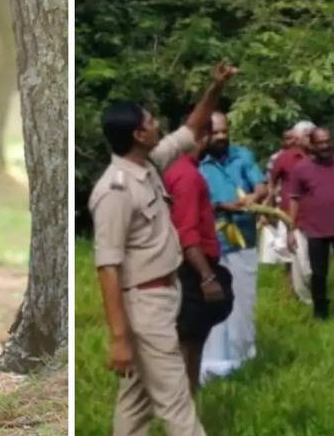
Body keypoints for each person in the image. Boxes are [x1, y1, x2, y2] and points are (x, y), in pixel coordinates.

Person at [89, 63, 235, 436]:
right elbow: (107, 267)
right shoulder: (114, 191)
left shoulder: (149, 163)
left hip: (164, 295)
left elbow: (191, 129)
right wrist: (119, 338)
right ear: (139, 134)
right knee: (177, 405)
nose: (158, 125)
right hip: (145, 305)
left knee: (135, 404)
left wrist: (215, 87)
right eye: (152, 121)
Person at [162, 123, 233, 394]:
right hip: (192, 266)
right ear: (200, 138)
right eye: (212, 135)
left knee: (194, 337)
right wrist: (206, 276)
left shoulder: (176, 171)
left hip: (186, 263)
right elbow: (186, 232)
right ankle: (185, 401)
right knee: (188, 340)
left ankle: (189, 397)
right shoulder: (188, 177)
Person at [198, 112, 266, 382]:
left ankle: (242, 357)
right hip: (211, 244)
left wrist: (254, 196)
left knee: (243, 301)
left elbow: (260, 184)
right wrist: (220, 207)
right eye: (215, 133)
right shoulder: (198, 164)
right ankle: (213, 362)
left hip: (243, 241)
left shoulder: (242, 155)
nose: (222, 137)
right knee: (212, 303)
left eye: (225, 131)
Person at [285, 128, 334, 320]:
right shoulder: (301, 168)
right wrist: (290, 228)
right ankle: (321, 310)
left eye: (327, 141)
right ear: (312, 145)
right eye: (320, 143)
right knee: (318, 273)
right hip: (315, 229)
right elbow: (294, 199)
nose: (325, 146)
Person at [268, 121, 315, 304]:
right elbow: (272, 183)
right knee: (294, 256)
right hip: (290, 215)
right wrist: (270, 209)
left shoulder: (317, 158)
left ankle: (308, 293)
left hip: (314, 214)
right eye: (307, 135)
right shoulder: (284, 158)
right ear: (297, 138)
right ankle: (299, 296)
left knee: (310, 258)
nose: (311, 138)